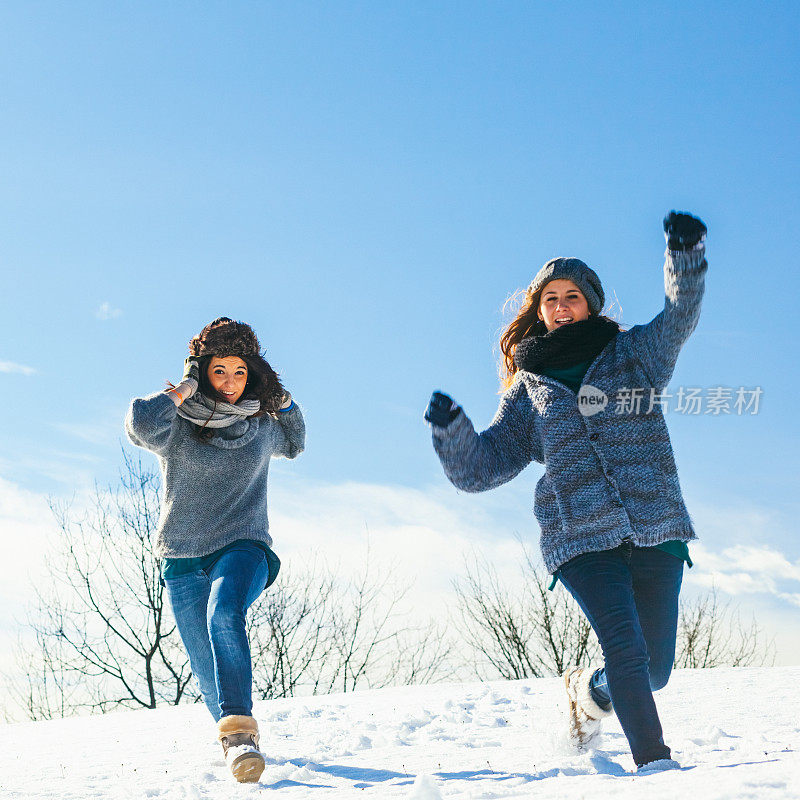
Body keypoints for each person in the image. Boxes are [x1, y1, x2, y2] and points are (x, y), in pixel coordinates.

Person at [424, 211, 707, 773]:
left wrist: (685, 255)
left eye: (571, 295)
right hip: (580, 536)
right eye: (549, 298)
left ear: (592, 303)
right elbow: (482, 468)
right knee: (627, 651)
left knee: (652, 670)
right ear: (539, 311)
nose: (559, 306)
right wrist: (452, 431)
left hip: (656, 526)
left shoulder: (635, 355)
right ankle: (656, 767)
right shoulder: (528, 392)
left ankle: (591, 692)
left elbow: (680, 315)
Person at [125, 317, 305, 783]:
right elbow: (141, 423)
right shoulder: (177, 427)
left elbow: (297, 438)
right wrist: (183, 387)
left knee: (225, 613)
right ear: (203, 370)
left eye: (240, 371)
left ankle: (241, 733)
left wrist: (280, 395)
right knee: (209, 678)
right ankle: (238, 749)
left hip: (244, 545)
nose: (229, 382)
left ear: (253, 372)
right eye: (218, 370)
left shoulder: (261, 426)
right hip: (183, 558)